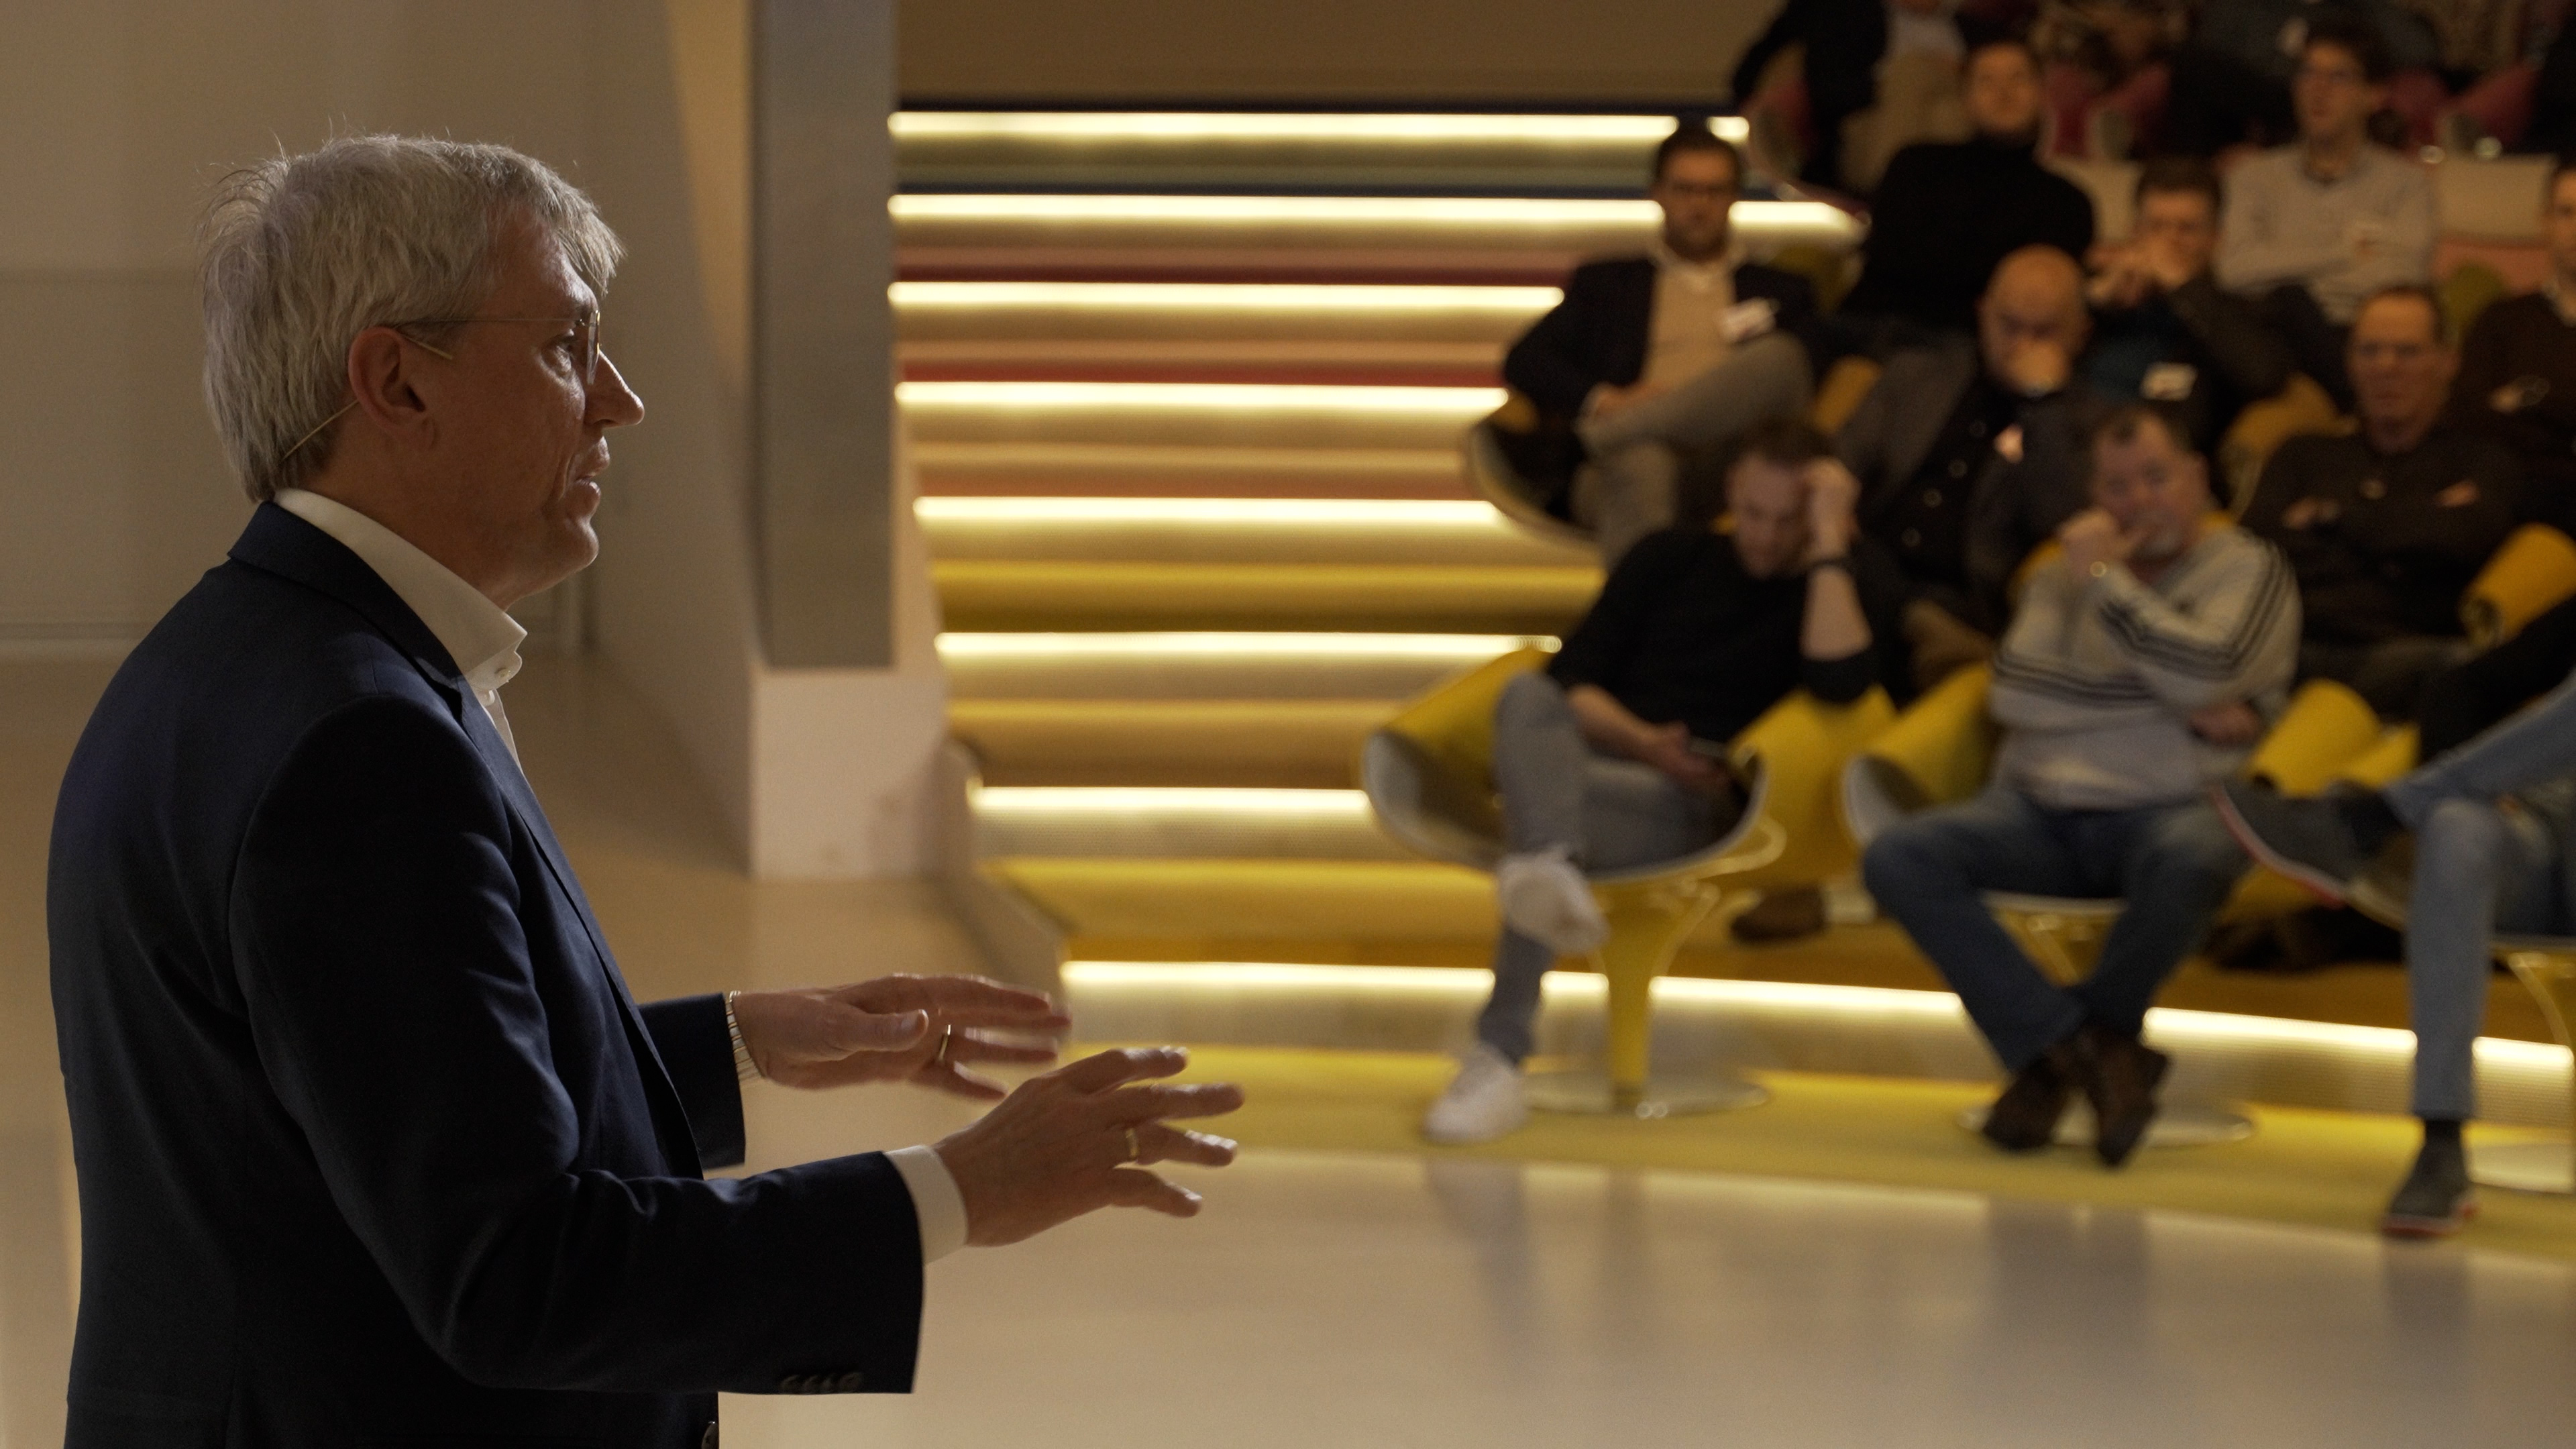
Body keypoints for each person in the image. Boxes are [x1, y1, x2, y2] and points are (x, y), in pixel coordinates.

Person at [45, 136, 1244, 1442]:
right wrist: (957, 1191)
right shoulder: (359, 744)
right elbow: (520, 1278)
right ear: (397, 381)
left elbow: (367, 1099)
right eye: (567, 345)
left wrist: (733, 1042)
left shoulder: (238, 658)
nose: (618, 400)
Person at [1422, 420, 1907, 1143]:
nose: (1766, 536)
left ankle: (1500, 1054)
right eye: (1754, 513)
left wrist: (1831, 543)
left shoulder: (1848, 581)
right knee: (1525, 700)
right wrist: (1643, 741)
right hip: (1604, 764)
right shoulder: (1669, 559)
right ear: (1732, 490)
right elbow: (1572, 682)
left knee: (1535, 837)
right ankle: (1548, 865)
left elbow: (1840, 683)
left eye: (1787, 520)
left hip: (1700, 802)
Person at [1862, 405, 2299, 1167]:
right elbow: (2014, 692)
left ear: (2197, 479)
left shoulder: (2249, 569)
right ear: (2095, 498)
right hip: (2036, 811)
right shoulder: (2053, 575)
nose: (2140, 502)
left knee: (2200, 853)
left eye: (2157, 478)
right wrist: (2176, 703)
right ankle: (2080, 1049)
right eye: (2118, 487)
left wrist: (2106, 585)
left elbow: (2212, 668)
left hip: (2172, 811)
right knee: (1899, 857)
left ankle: (2062, 1059)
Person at [2213, 669, 2576, 1236]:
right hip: (2538, 830)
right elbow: (2477, 679)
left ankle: (2368, 820)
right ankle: (2441, 1140)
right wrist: (2482, 781)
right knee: (2456, 827)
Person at [1498, 124, 1817, 564]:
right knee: (1644, 460)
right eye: (1685, 190)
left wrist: (1619, 425)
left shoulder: (1782, 290)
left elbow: (1798, 379)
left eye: (1714, 191)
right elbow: (1526, 360)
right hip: (1621, 469)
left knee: (1781, 357)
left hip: (1731, 464)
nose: (1699, 206)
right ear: (1658, 194)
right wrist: (1605, 400)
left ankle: (1604, 437)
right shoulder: (1608, 285)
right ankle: (1648, 609)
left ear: (1734, 197)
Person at [2239, 285, 2525, 719]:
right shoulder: (2303, 454)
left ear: (2447, 362)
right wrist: (2412, 530)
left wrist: (2329, 517)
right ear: (2350, 361)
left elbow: (2465, 542)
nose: (2386, 367)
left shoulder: (2481, 459)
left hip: (2403, 657)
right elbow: (2255, 555)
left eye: (2407, 352)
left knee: (2468, 670)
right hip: (2291, 651)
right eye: (2369, 351)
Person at [1839, 244, 2104, 688]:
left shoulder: (2087, 425)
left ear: (2080, 334)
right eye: (2009, 325)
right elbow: (1842, 458)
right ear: (1983, 313)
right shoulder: (1916, 375)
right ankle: (1909, 621)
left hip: (1962, 593)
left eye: (2043, 333)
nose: (2021, 346)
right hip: (1867, 556)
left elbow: (2062, 523)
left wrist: (2044, 403)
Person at [2214, 17, 2439, 409]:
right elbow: (2234, 270)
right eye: (2307, 74)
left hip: (2358, 338)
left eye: (2339, 77)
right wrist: (2347, 252)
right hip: (2265, 340)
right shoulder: (2252, 177)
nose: (2318, 90)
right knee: (2284, 306)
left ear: (2374, 95)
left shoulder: (2407, 184)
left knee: (2292, 302)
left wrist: (2284, 272)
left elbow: (2403, 278)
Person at [1838, 38, 2099, 345]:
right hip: (1859, 323)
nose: (2004, 92)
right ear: (1965, 98)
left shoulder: (2065, 201)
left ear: (2042, 94)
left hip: (1959, 343)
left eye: (2018, 78)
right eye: (1987, 81)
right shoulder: (1916, 165)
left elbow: (2032, 293)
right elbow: (1887, 256)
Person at [2085, 157, 2297, 458]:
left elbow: (2264, 377)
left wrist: (2182, 286)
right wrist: (2096, 300)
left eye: (2187, 229)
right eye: (2156, 227)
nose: (2169, 242)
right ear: (2134, 232)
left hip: (2164, 462)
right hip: (2076, 450)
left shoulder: (2240, 313)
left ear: (2216, 239)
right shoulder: (2100, 302)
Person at [2443, 159, 2576, 535]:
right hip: (2515, 497)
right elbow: (2467, 418)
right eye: (2566, 212)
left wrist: (2530, 400)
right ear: (2544, 222)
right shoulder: (2501, 320)